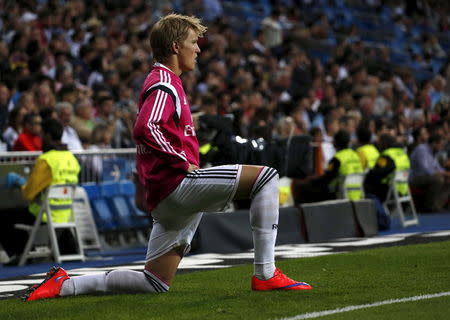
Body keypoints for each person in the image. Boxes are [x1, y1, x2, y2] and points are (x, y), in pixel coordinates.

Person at [24, 14, 312, 302]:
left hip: (166, 198)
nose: (198, 49)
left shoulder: (164, 81)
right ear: (175, 46)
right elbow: (145, 125)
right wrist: (179, 158)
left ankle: (65, 284)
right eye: (192, 42)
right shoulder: (165, 81)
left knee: (154, 282)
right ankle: (265, 273)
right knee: (267, 177)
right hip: (178, 184)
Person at [0, 118, 80, 263]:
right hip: (66, 212)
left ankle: (20, 255)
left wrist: (19, 182)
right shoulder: (71, 158)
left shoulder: (46, 160)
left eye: (42, 134)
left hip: (44, 213)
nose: (40, 137)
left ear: (48, 135)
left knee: (4, 216)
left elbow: (28, 194)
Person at [293, 130, 364, 204]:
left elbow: (327, 179)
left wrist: (311, 181)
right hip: (357, 194)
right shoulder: (356, 155)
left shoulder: (337, 159)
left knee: (302, 189)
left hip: (340, 193)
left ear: (335, 142)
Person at [364, 134, 411, 230]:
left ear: (384, 143)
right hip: (404, 188)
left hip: (389, 189)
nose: (378, 144)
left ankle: (380, 220)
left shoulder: (387, 155)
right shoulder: (402, 152)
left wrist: (369, 172)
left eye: (380, 142)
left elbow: (381, 171)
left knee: (366, 190)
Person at [409, 133, 450, 212]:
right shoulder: (421, 149)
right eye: (440, 145)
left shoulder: (433, 152)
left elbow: (437, 167)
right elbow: (426, 170)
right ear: (434, 143)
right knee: (438, 179)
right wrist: (443, 174)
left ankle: (437, 206)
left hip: (427, 177)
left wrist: (446, 174)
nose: (441, 147)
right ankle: (429, 206)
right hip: (415, 178)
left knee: (448, 180)